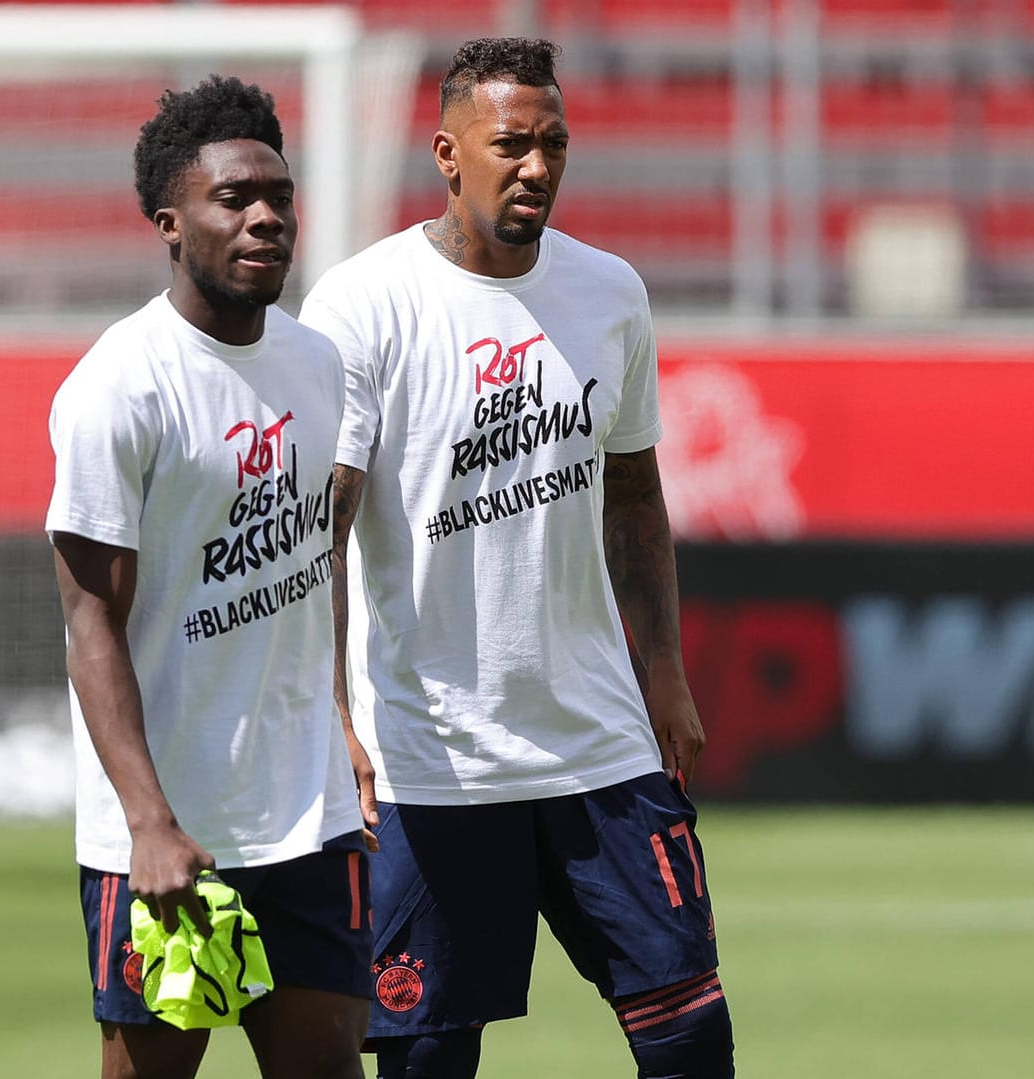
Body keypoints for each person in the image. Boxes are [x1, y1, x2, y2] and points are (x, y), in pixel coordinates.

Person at [299, 38, 733, 1079]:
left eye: (555, 144)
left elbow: (633, 489)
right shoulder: (364, 304)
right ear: (449, 153)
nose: (537, 166)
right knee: (426, 1058)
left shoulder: (611, 293)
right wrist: (331, 712)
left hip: (598, 743)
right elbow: (323, 526)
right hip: (430, 758)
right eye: (511, 146)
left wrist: (662, 664)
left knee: (691, 1039)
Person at [46, 75, 377, 1079]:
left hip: (308, 818)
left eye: (278, 195)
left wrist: (344, 722)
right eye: (235, 198)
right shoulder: (119, 386)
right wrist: (149, 821)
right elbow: (88, 620)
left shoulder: (320, 365)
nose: (267, 216)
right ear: (170, 222)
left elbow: (319, 561)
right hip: (169, 832)